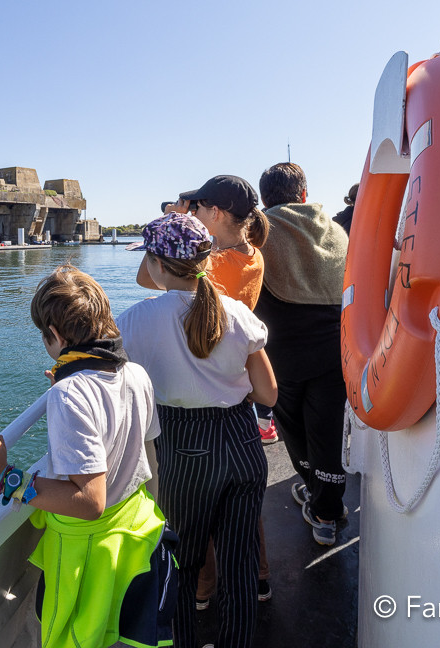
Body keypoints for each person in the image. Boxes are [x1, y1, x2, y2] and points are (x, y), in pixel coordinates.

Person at [0, 264, 175, 648]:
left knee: (74, 636)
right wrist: (71, 381)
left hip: (87, 552)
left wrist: (5, 477)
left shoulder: (69, 395)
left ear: (56, 336)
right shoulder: (135, 375)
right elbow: (149, 453)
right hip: (135, 533)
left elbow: (90, 501)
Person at [118, 213, 278, 648]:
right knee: (241, 563)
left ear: (155, 264)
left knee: (183, 563)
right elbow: (268, 394)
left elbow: (113, 383)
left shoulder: (135, 321)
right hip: (243, 442)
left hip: (183, 446)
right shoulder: (237, 313)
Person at [148, 175, 276, 606]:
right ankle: (257, 578)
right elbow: (269, 392)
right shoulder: (251, 256)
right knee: (241, 521)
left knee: (190, 526)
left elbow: (153, 279)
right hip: (237, 415)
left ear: (215, 214)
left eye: (199, 207)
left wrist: (172, 224)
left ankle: (201, 590)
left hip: (188, 429)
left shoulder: (212, 269)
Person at [255, 162, 350, 546]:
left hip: (284, 358)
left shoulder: (259, 233)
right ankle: (327, 511)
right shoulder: (335, 232)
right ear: (304, 194)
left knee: (294, 432)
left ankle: (315, 492)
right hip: (334, 353)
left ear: (264, 198)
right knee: (327, 433)